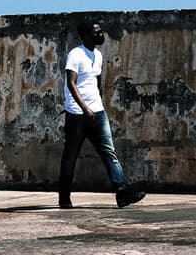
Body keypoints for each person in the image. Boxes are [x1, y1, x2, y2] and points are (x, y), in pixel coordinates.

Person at [57, 19, 146, 209]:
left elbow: (96, 83)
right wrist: (84, 108)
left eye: (100, 31)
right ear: (86, 35)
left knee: (109, 152)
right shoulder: (76, 54)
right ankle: (64, 197)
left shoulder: (97, 55)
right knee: (70, 156)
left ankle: (122, 192)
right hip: (77, 114)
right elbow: (71, 84)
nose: (100, 34)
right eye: (96, 32)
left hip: (97, 112)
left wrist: (97, 105)